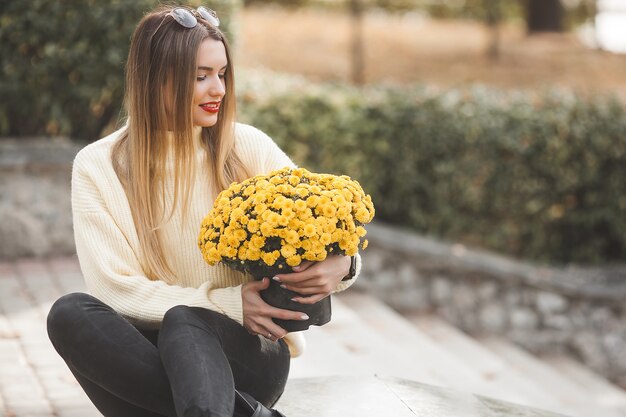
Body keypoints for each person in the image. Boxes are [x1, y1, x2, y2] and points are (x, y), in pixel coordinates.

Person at [46, 5, 361, 417]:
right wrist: (231, 301)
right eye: (200, 77)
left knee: (185, 322)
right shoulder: (98, 166)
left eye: (222, 74)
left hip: (249, 355)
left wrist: (345, 262)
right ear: (155, 79)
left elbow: (325, 220)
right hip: (141, 353)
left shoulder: (247, 147)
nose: (219, 90)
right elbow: (113, 290)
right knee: (69, 313)